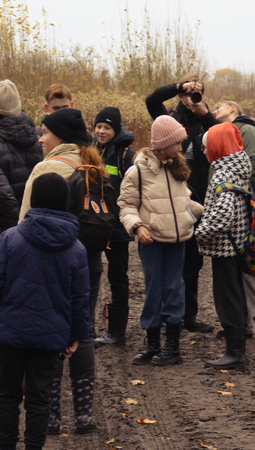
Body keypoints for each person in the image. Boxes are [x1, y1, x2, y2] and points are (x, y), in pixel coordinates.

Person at [0, 173, 90, 450]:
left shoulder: (11, 238)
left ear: (34, 200)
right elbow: (80, 299)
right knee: (40, 399)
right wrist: (75, 335)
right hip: (51, 334)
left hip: (12, 331)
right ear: (66, 202)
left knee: (8, 396)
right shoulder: (77, 249)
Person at [20, 107, 104, 433]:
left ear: (60, 137)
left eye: (45, 132)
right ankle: (84, 414)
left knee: (52, 331)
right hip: (90, 260)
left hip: (50, 262)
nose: (40, 139)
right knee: (82, 329)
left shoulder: (48, 167)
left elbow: (27, 219)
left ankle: (51, 415)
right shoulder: (92, 165)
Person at [117, 116, 204, 366]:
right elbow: (126, 206)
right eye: (177, 143)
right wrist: (137, 226)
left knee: (174, 289)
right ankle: (153, 343)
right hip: (152, 242)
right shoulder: (137, 172)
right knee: (153, 290)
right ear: (163, 144)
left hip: (178, 241)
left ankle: (173, 347)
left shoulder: (178, 169)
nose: (180, 147)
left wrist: (205, 212)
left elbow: (184, 202)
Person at [146, 75, 218, 333]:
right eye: (189, 92)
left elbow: (220, 140)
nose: (191, 99)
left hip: (197, 200)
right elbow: (152, 99)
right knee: (169, 264)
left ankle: (189, 315)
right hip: (169, 202)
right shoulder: (167, 120)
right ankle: (169, 314)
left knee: (192, 263)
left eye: (197, 92)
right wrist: (180, 88)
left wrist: (205, 113)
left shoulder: (206, 121)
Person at [212, 100, 255, 345]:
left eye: (221, 104)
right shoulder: (222, 133)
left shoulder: (247, 130)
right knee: (235, 270)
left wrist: (231, 190)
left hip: (246, 211)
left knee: (251, 265)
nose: (215, 108)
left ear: (233, 109)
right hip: (234, 209)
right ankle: (241, 324)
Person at [193, 122, 253, 369]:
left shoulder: (222, 173)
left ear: (217, 147)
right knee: (235, 295)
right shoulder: (238, 167)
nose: (205, 151)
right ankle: (236, 349)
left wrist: (200, 232)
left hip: (225, 248)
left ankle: (234, 352)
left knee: (227, 298)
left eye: (207, 147)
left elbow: (223, 214)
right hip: (237, 244)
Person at [0, 80, 43, 253]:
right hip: (37, 229)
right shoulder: (39, 138)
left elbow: (1, 197)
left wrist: (21, 228)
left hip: (3, 236)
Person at [93, 106, 137, 347]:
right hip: (93, 225)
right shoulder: (90, 150)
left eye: (107, 127)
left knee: (117, 276)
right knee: (89, 273)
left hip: (117, 229)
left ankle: (117, 331)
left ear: (116, 129)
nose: (101, 131)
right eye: (98, 126)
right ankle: (86, 325)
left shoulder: (127, 156)